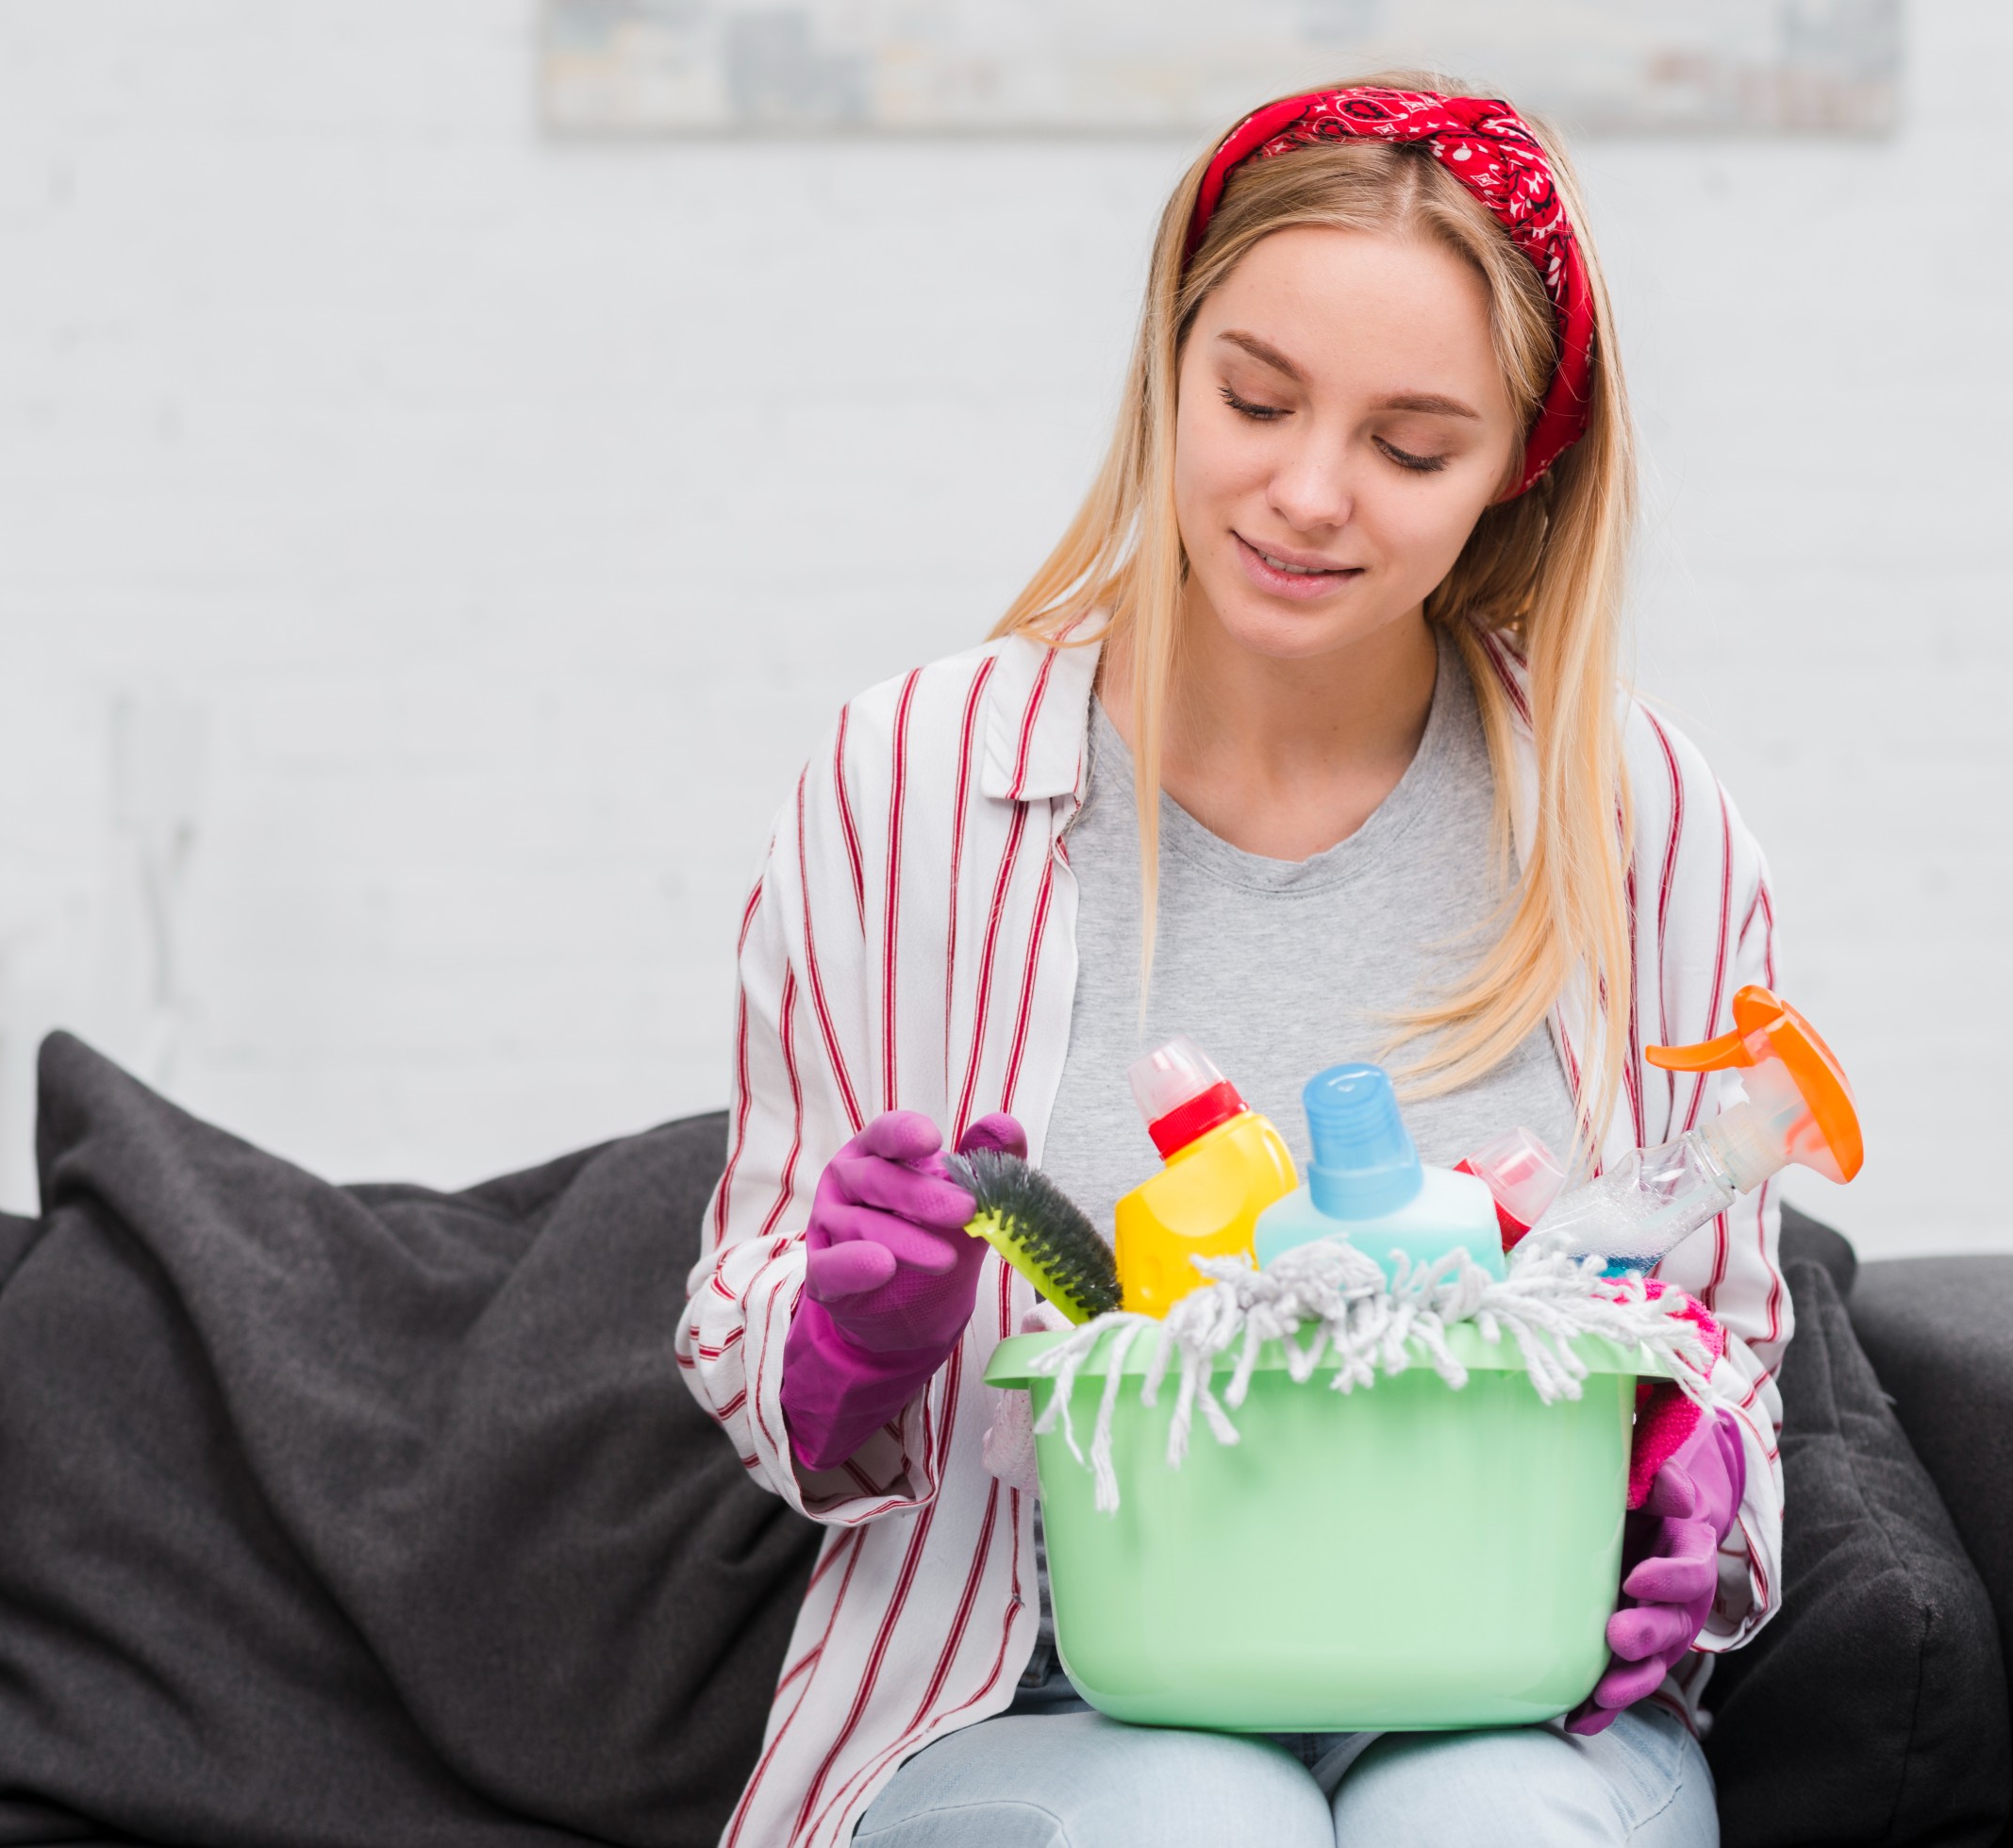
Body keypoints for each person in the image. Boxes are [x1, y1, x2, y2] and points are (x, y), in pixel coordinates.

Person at [677, 77, 1783, 1848]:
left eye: (1413, 447)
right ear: (1165, 363)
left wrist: (1686, 1478)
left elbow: (1720, 1324)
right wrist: (845, 1335)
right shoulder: (911, 784)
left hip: (1496, 1681)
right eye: (1254, 399)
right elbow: (744, 1330)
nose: (1307, 493)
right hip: (1031, 1688)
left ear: (1522, 468)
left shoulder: (1640, 821)